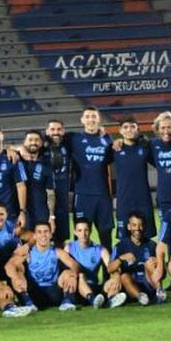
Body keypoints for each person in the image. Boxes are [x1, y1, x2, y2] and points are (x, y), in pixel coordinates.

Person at [66, 107, 115, 251]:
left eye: (94, 116)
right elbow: (50, 141)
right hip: (83, 195)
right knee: (80, 237)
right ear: (82, 120)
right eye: (87, 116)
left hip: (103, 196)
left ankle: (109, 273)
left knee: (106, 237)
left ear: (99, 119)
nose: (91, 120)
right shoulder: (73, 139)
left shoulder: (107, 139)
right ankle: (80, 273)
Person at [6, 220, 81, 312]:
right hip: (34, 293)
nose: (43, 235)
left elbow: (74, 264)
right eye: (39, 232)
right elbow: (9, 265)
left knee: (69, 273)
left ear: (50, 234)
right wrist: (16, 277)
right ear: (35, 236)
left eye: (46, 232)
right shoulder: (28, 253)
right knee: (17, 274)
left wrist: (73, 274)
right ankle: (28, 304)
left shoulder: (57, 252)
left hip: (54, 293)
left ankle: (67, 302)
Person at [111, 116, 155, 240]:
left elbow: (160, 163)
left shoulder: (145, 148)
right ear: (120, 130)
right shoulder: (114, 149)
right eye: (125, 127)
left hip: (143, 200)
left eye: (132, 127)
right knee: (124, 237)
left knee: (146, 235)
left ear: (138, 130)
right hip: (124, 201)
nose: (129, 130)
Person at [66, 218, 126, 308]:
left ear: (90, 231)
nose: (83, 234)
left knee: (114, 280)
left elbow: (111, 266)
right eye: (80, 230)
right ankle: (92, 299)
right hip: (77, 288)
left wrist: (116, 276)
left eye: (86, 230)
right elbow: (64, 269)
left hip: (94, 286)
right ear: (75, 232)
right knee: (81, 276)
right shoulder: (69, 248)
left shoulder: (99, 249)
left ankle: (111, 299)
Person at [107, 212, 163, 305]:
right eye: (134, 225)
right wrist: (121, 258)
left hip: (148, 282)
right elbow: (109, 268)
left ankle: (160, 293)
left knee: (151, 264)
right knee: (123, 276)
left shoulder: (151, 245)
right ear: (129, 227)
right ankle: (140, 298)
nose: (137, 228)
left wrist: (158, 263)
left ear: (144, 227)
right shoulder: (121, 246)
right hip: (130, 284)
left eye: (140, 225)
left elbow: (163, 272)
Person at [17, 129, 55, 232]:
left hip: (40, 213)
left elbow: (50, 192)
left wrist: (51, 216)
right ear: (24, 143)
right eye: (30, 140)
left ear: (41, 143)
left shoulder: (46, 165)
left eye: (37, 140)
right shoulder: (15, 160)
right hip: (19, 212)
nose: (33, 142)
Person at [43, 118, 71, 245]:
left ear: (63, 131)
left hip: (62, 200)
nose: (56, 132)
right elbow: (22, 148)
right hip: (45, 200)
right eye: (52, 129)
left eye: (59, 129)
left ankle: (62, 264)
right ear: (47, 131)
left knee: (61, 239)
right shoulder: (40, 147)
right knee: (44, 237)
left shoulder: (69, 144)